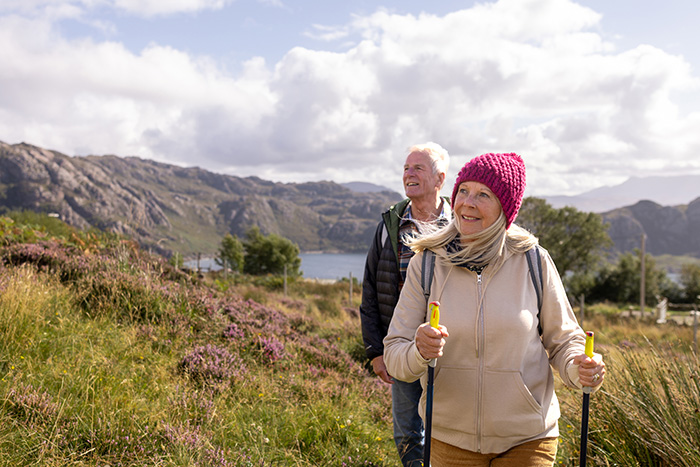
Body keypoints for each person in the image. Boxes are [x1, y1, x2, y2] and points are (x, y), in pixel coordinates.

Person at [383, 153, 606, 466]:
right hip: (448, 440)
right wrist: (419, 351)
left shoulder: (534, 261)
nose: (467, 203)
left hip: (528, 439)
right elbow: (395, 355)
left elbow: (565, 340)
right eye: (463, 191)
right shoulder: (428, 263)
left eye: (483, 195)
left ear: (506, 208)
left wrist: (579, 366)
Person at [360, 142, 451, 467]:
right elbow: (370, 289)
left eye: (418, 168)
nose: (409, 174)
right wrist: (376, 350)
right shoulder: (390, 226)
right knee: (408, 435)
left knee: (451, 432)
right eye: (405, 168)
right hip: (400, 348)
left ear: (440, 178)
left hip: (451, 350)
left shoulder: (461, 225)